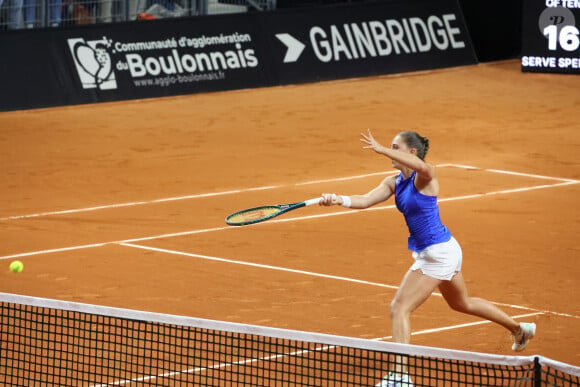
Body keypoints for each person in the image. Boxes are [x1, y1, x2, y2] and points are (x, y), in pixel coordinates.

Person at [318, 129, 536, 387]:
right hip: (442, 250)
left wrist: (380, 148)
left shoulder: (426, 178)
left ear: (412, 152)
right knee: (462, 303)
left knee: (399, 308)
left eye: (395, 147)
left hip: (438, 255)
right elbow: (364, 200)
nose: (390, 150)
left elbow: (423, 167)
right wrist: (337, 199)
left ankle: (400, 377)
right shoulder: (394, 182)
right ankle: (519, 330)